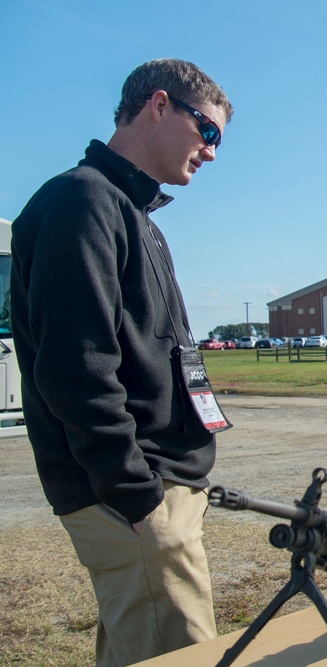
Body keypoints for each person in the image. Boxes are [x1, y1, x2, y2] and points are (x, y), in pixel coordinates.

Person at [10, 59, 234, 666]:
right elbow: (76, 368)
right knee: (177, 654)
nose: (212, 153)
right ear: (158, 106)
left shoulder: (131, 213)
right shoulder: (81, 202)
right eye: (207, 132)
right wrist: (136, 494)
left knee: (140, 649)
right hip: (134, 494)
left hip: (156, 486)